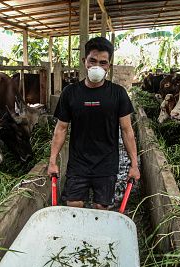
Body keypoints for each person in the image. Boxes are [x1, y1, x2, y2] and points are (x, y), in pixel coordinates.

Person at [47, 37, 140, 209]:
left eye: (103, 62)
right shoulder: (70, 93)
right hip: (78, 164)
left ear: (109, 66)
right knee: (73, 206)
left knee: (101, 209)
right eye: (93, 61)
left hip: (106, 164)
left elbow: (127, 131)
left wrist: (134, 165)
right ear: (84, 62)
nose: (97, 66)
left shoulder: (118, 94)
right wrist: (52, 161)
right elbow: (61, 128)